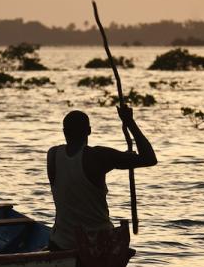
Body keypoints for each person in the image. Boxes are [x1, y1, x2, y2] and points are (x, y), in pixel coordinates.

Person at [47, 105, 157, 250]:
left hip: (61, 243)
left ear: (64, 132)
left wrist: (122, 158)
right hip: (99, 243)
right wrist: (130, 122)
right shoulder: (98, 156)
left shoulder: (53, 155)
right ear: (89, 131)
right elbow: (149, 158)